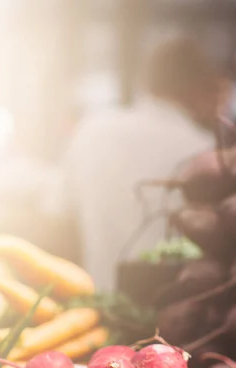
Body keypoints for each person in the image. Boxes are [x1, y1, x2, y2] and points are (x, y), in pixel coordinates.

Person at [58, 34, 227, 292]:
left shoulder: (93, 130)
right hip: (175, 319)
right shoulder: (205, 152)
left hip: (95, 307)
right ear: (198, 88)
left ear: (146, 82)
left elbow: (60, 215)